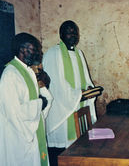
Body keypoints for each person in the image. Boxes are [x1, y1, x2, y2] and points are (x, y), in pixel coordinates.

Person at [42, 20, 102, 165]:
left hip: (78, 104)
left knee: (79, 146)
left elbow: (85, 78)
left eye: (75, 32)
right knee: (62, 150)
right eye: (69, 32)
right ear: (61, 34)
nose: (73, 35)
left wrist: (89, 89)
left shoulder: (79, 53)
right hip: (62, 109)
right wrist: (77, 94)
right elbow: (56, 84)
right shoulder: (53, 54)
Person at [0, 33, 52, 166]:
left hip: (30, 131)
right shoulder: (10, 74)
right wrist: (40, 103)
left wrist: (43, 97)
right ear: (22, 49)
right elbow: (14, 112)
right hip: (18, 137)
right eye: (35, 49)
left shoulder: (27, 70)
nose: (38, 53)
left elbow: (41, 95)